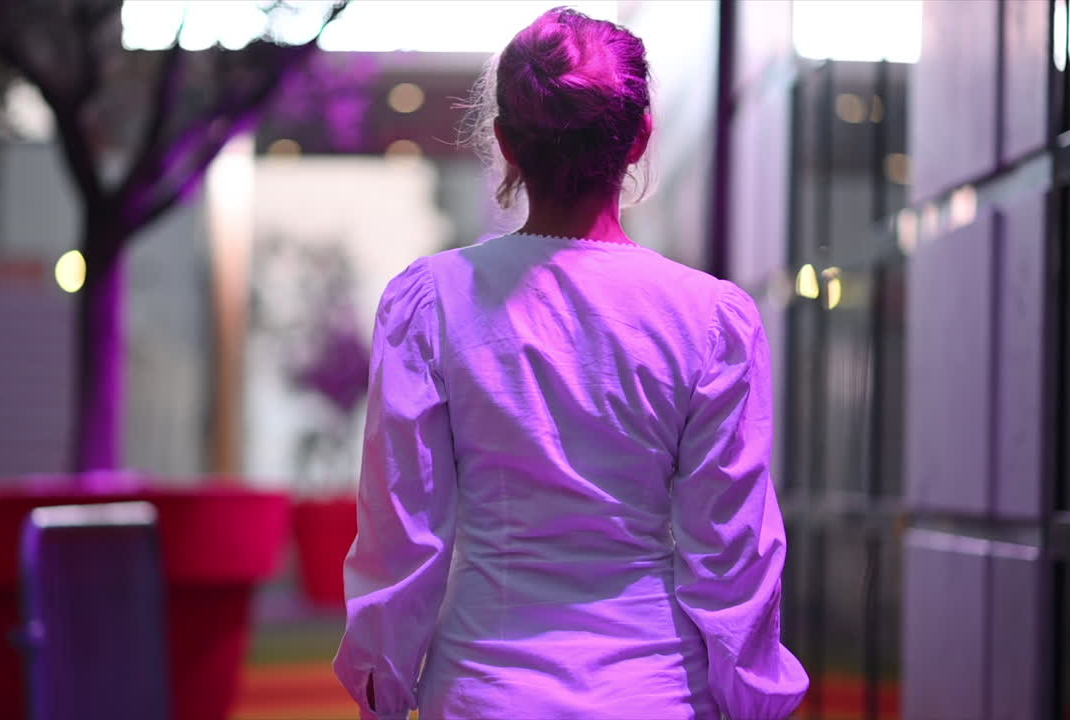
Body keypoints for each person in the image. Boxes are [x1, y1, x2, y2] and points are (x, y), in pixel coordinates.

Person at [333, 7, 809, 719]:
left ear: (505, 144)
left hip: (483, 693)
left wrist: (382, 686)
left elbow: (404, 533)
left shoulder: (430, 303)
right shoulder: (712, 319)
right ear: (641, 137)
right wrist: (752, 699)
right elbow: (731, 554)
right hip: (656, 693)